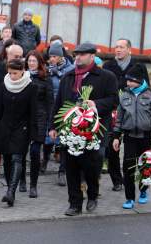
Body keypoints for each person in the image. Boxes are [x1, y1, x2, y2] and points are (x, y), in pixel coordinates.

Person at [49, 43, 118, 216]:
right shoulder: (69, 76)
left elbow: (113, 100)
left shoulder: (106, 76)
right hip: (69, 130)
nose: (77, 57)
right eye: (76, 54)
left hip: (94, 130)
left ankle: (92, 195)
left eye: (81, 54)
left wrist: (96, 104)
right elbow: (58, 103)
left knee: (92, 166)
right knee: (71, 166)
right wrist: (53, 126)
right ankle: (75, 203)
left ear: (92, 56)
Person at [112, 63, 151, 209]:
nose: (127, 83)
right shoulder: (124, 96)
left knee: (144, 167)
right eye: (127, 80)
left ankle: (143, 191)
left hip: (145, 137)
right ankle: (129, 198)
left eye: (131, 80)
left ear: (140, 80)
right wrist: (116, 136)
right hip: (129, 137)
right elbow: (119, 118)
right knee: (128, 167)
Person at [103, 38, 150, 192]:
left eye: (121, 47)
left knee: (135, 150)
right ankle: (117, 180)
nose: (118, 50)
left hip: (134, 114)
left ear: (129, 49)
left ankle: (138, 180)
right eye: (116, 47)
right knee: (112, 146)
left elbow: (146, 89)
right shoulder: (108, 66)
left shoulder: (138, 66)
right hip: (113, 111)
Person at [0, 59, 37, 207]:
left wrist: (33, 134)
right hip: (4, 127)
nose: (12, 76)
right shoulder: (4, 84)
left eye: (15, 73)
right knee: (7, 159)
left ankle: (10, 192)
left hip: (21, 128)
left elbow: (33, 112)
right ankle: (11, 190)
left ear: (22, 71)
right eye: (9, 73)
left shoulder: (31, 86)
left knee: (17, 158)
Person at [43, 40, 75, 187]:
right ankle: (44, 161)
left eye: (54, 56)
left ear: (61, 56)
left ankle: (62, 171)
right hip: (49, 107)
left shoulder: (70, 69)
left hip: (65, 108)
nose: (52, 59)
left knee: (63, 141)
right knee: (48, 137)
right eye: (51, 57)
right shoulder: (47, 69)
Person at [23, 50, 54, 198]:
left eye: (34, 61)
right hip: (23, 118)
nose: (31, 63)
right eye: (29, 61)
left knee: (35, 152)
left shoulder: (45, 78)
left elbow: (50, 102)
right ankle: (21, 179)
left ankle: (33, 185)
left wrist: (51, 123)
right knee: (21, 152)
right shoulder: (22, 76)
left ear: (39, 63)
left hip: (39, 119)